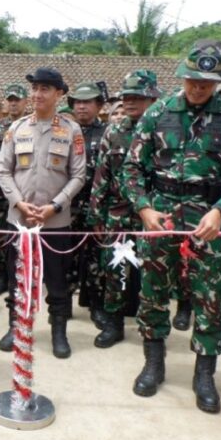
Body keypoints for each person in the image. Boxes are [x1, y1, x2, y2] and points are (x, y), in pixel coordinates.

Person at [123, 39, 221, 413]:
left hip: (211, 218)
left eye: (207, 81)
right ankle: (153, 364)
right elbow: (132, 167)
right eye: (193, 79)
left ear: (218, 81)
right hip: (162, 215)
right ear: (183, 76)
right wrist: (145, 209)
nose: (198, 87)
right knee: (152, 291)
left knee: (209, 299)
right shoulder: (158, 113)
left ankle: (204, 376)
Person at [0, 67, 86, 358]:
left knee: (58, 281)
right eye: (34, 88)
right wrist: (20, 203)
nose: (37, 94)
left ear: (59, 94)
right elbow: (2, 170)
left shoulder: (71, 130)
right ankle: (17, 327)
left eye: (45, 89)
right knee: (17, 277)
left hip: (56, 223)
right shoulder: (17, 128)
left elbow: (78, 176)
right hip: (20, 220)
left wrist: (55, 206)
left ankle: (58, 330)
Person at [88, 70, 161, 348]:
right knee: (115, 269)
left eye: (137, 97)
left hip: (154, 215)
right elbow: (101, 175)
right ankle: (114, 324)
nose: (129, 102)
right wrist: (96, 212)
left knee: (152, 273)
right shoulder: (115, 131)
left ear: (152, 97)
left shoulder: (162, 129)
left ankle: (151, 328)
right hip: (118, 214)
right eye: (126, 97)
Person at [66, 81, 108, 329]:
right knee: (65, 258)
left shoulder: (108, 134)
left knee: (96, 259)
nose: (81, 107)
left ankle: (95, 306)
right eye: (78, 103)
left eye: (87, 102)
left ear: (99, 105)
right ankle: (62, 307)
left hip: (97, 207)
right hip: (67, 207)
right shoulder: (63, 131)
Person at [0, 84, 28, 305]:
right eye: (10, 99)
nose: (13, 103)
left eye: (17, 100)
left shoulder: (31, 125)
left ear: (25, 102)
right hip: (0, 193)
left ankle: (20, 277)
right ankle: (1, 276)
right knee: (0, 237)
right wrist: (4, 175)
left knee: (22, 237)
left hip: (25, 193)